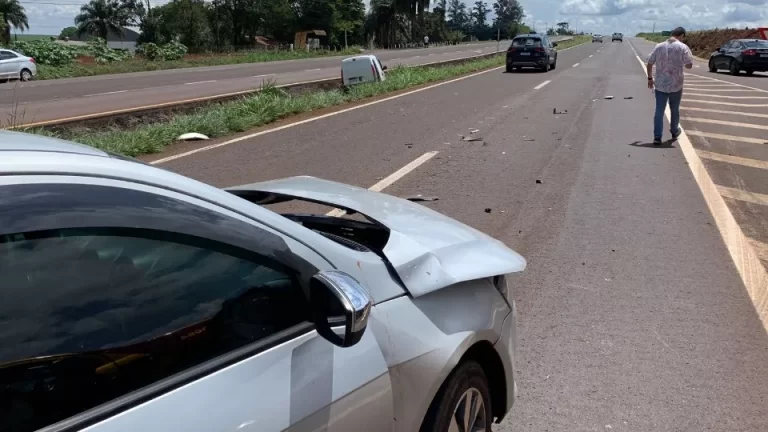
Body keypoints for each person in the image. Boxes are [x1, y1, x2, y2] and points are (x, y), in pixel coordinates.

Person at [646, 27, 693, 145]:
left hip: (660, 84)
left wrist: (650, 78)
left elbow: (650, 62)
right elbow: (689, 65)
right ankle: (674, 131)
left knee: (659, 110)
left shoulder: (659, 46)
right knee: (674, 109)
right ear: (681, 35)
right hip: (676, 84)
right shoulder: (683, 47)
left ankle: (657, 137)